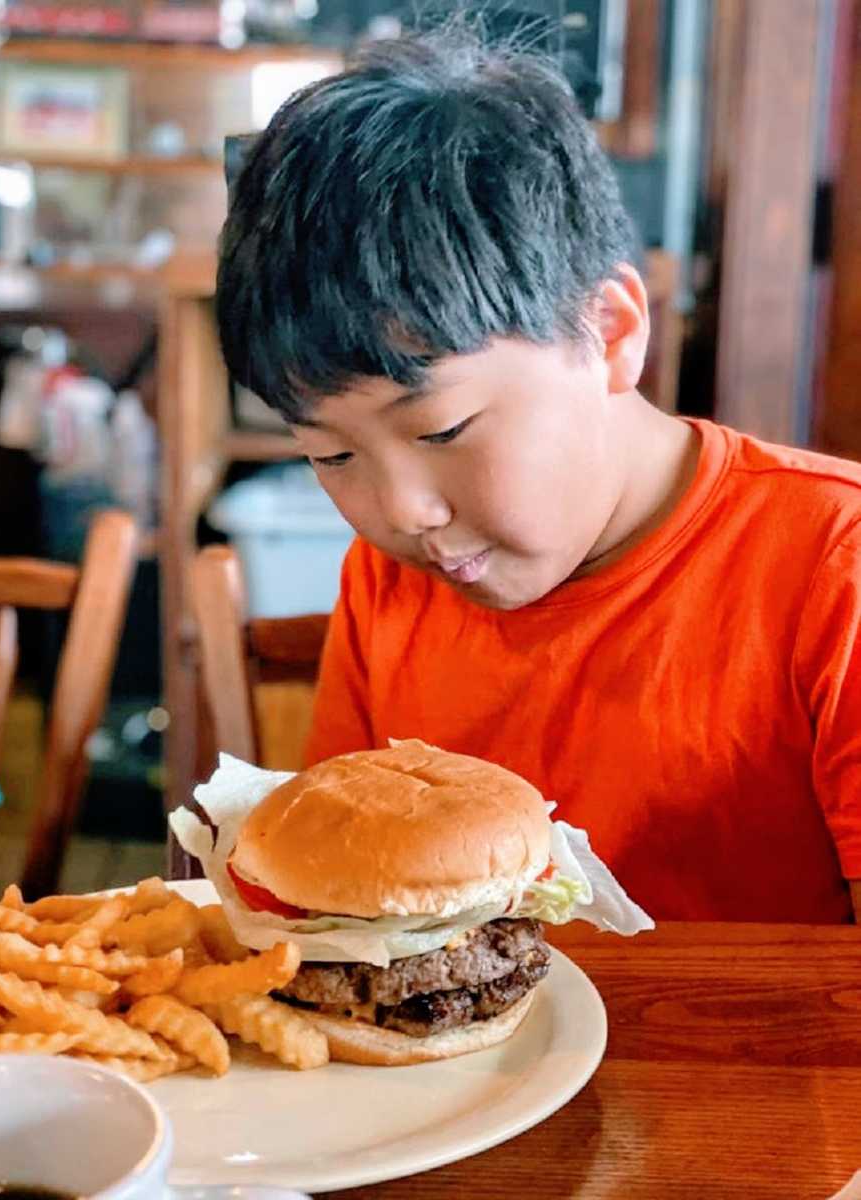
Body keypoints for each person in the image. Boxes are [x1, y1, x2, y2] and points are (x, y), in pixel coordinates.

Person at [216, 22, 861, 924]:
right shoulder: (391, 583)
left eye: (441, 429)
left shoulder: (834, 572)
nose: (402, 512)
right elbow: (343, 919)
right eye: (332, 454)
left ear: (610, 332)